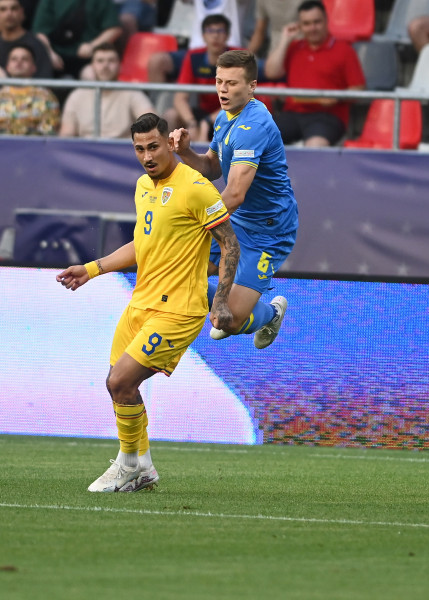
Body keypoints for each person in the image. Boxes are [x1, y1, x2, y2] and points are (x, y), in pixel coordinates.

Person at [55, 112, 240, 493]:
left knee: (120, 380)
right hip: (141, 304)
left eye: (153, 146)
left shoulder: (196, 187)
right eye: (139, 149)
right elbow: (143, 244)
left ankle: (128, 466)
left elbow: (230, 244)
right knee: (119, 387)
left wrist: (219, 302)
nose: (147, 156)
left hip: (179, 309)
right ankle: (142, 466)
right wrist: (93, 268)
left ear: (169, 144)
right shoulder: (143, 186)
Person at [171, 50, 297, 349]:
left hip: (268, 231)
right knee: (178, 275)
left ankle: (270, 314)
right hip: (235, 219)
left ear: (252, 86)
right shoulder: (224, 116)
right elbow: (213, 168)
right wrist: (186, 152)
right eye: (218, 81)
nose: (222, 90)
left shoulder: (254, 126)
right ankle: (223, 302)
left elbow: (235, 194)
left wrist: (193, 222)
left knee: (231, 322)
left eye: (231, 83)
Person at [264, 0, 365, 147]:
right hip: (293, 113)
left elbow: (358, 88)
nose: (312, 28)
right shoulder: (293, 47)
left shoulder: (345, 50)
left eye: (317, 22)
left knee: (315, 146)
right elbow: (271, 72)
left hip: (328, 117)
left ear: (326, 21)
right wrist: (285, 39)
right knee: (258, 137)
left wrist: (336, 98)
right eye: (306, 23)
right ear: (300, 26)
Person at [168, 14, 239, 141]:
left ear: (228, 36)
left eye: (220, 31)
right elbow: (179, 98)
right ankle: (166, 157)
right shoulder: (194, 57)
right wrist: (192, 123)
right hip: (203, 114)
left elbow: (239, 101)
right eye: (210, 31)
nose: (215, 36)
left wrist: (207, 122)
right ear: (203, 36)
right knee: (171, 115)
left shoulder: (238, 58)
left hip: (231, 114)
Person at [59, 43, 154, 139]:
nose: (105, 66)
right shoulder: (76, 96)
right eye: (100, 61)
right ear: (92, 66)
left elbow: (152, 123)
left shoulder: (132, 92)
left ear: (120, 65)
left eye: (111, 61)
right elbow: (66, 134)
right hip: (85, 151)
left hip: (122, 151)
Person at [32, 0, 122, 79]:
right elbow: (40, 31)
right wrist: (49, 53)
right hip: (54, 57)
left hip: (86, 59)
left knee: (91, 75)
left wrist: (92, 45)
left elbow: (114, 28)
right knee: (37, 70)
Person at [0, 42, 59, 135]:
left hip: (34, 148)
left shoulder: (46, 96)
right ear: (7, 67)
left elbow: (49, 133)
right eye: (14, 59)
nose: (19, 62)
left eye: (25, 59)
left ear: (33, 68)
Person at [0, 0, 52, 79]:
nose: (9, 13)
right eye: (3, 9)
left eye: (14, 9)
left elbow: (44, 80)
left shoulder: (36, 45)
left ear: (21, 12)